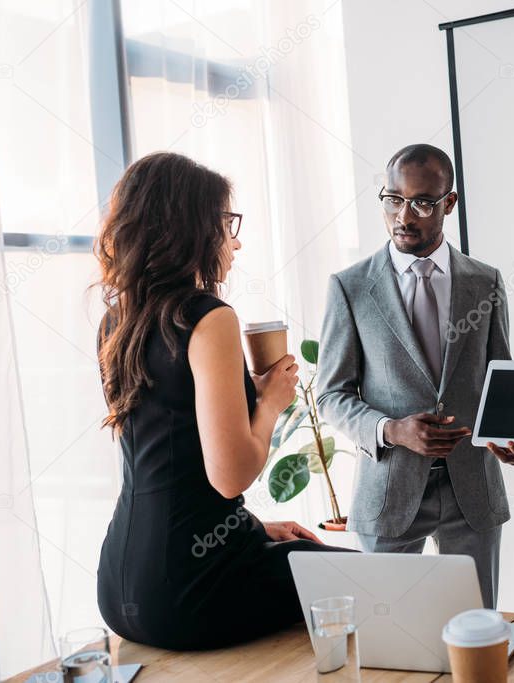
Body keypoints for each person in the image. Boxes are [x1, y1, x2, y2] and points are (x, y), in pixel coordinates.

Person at [94, 152, 348, 650]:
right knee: (382, 585)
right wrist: (271, 402)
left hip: (120, 586)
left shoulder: (117, 321)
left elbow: (170, 462)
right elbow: (230, 476)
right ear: (191, 228)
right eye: (225, 223)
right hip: (191, 589)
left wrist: (251, 528)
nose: (235, 241)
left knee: (311, 558)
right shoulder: (210, 317)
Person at [316, 144, 514, 609]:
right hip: (389, 491)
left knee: (477, 633)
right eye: (392, 199)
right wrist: (391, 430)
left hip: (472, 488)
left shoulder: (485, 281)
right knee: (387, 636)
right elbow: (330, 395)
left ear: (449, 203)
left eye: (422, 202)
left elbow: (502, 376)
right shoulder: (349, 287)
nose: (403, 215)